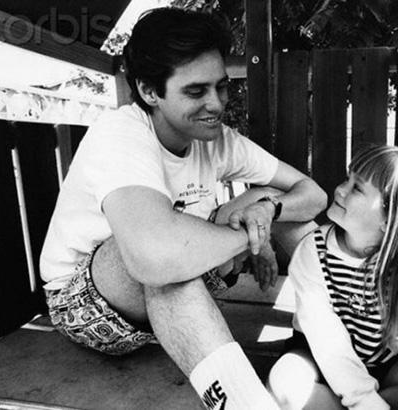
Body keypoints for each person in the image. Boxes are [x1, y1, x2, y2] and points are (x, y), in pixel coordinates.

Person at [39, 7, 326, 410]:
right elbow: (154, 258)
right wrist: (252, 234)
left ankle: (331, 336)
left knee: (269, 199)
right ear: (149, 91)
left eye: (221, 87)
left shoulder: (218, 139)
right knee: (166, 257)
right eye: (196, 91)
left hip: (174, 279)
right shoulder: (121, 134)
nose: (216, 104)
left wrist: (267, 211)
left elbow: (312, 195)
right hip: (88, 303)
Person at [268, 145, 398, 410]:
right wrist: (364, 401)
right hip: (317, 355)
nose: (340, 190)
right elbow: (325, 337)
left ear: (390, 219)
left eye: (357, 188)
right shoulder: (314, 251)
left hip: (383, 365)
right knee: (285, 380)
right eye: (347, 179)